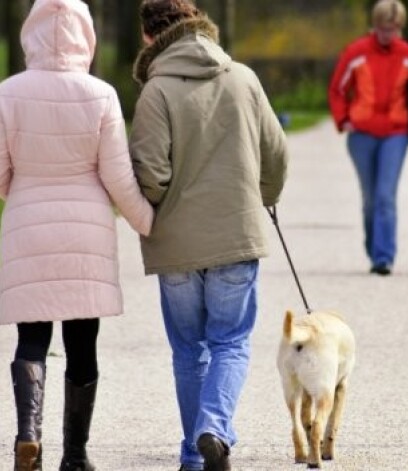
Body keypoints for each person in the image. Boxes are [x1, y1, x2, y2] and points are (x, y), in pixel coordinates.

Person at [129, 1, 288, 470]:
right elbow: (276, 155)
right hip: (235, 233)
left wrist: (156, 208)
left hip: (176, 242)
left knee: (187, 349)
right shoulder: (242, 77)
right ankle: (213, 429)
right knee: (231, 341)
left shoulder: (156, 91)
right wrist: (264, 195)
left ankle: (194, 456)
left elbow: (150, 173)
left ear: (148, 38)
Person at [0, 0, 154, 470]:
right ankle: (74, 455)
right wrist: (149, 223)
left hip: (28, 228)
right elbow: (118, 178)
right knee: (82, 347)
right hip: (86, 235)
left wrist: (22, 187)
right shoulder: (102, 94)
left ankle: (28, 435)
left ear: (31, 33)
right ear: (85, 36)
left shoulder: (7, 93)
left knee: (31, 340)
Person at [328, 0, 408, 276]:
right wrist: (344, 119)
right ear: (375, 26)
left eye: (394, 29)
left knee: (386, 195)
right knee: (370, 198)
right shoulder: (356, 52)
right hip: (362, 134)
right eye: (384, 28)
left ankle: (384, 257)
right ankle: (373, 247)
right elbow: (337, 89)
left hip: (396, 133)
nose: (389, 34)